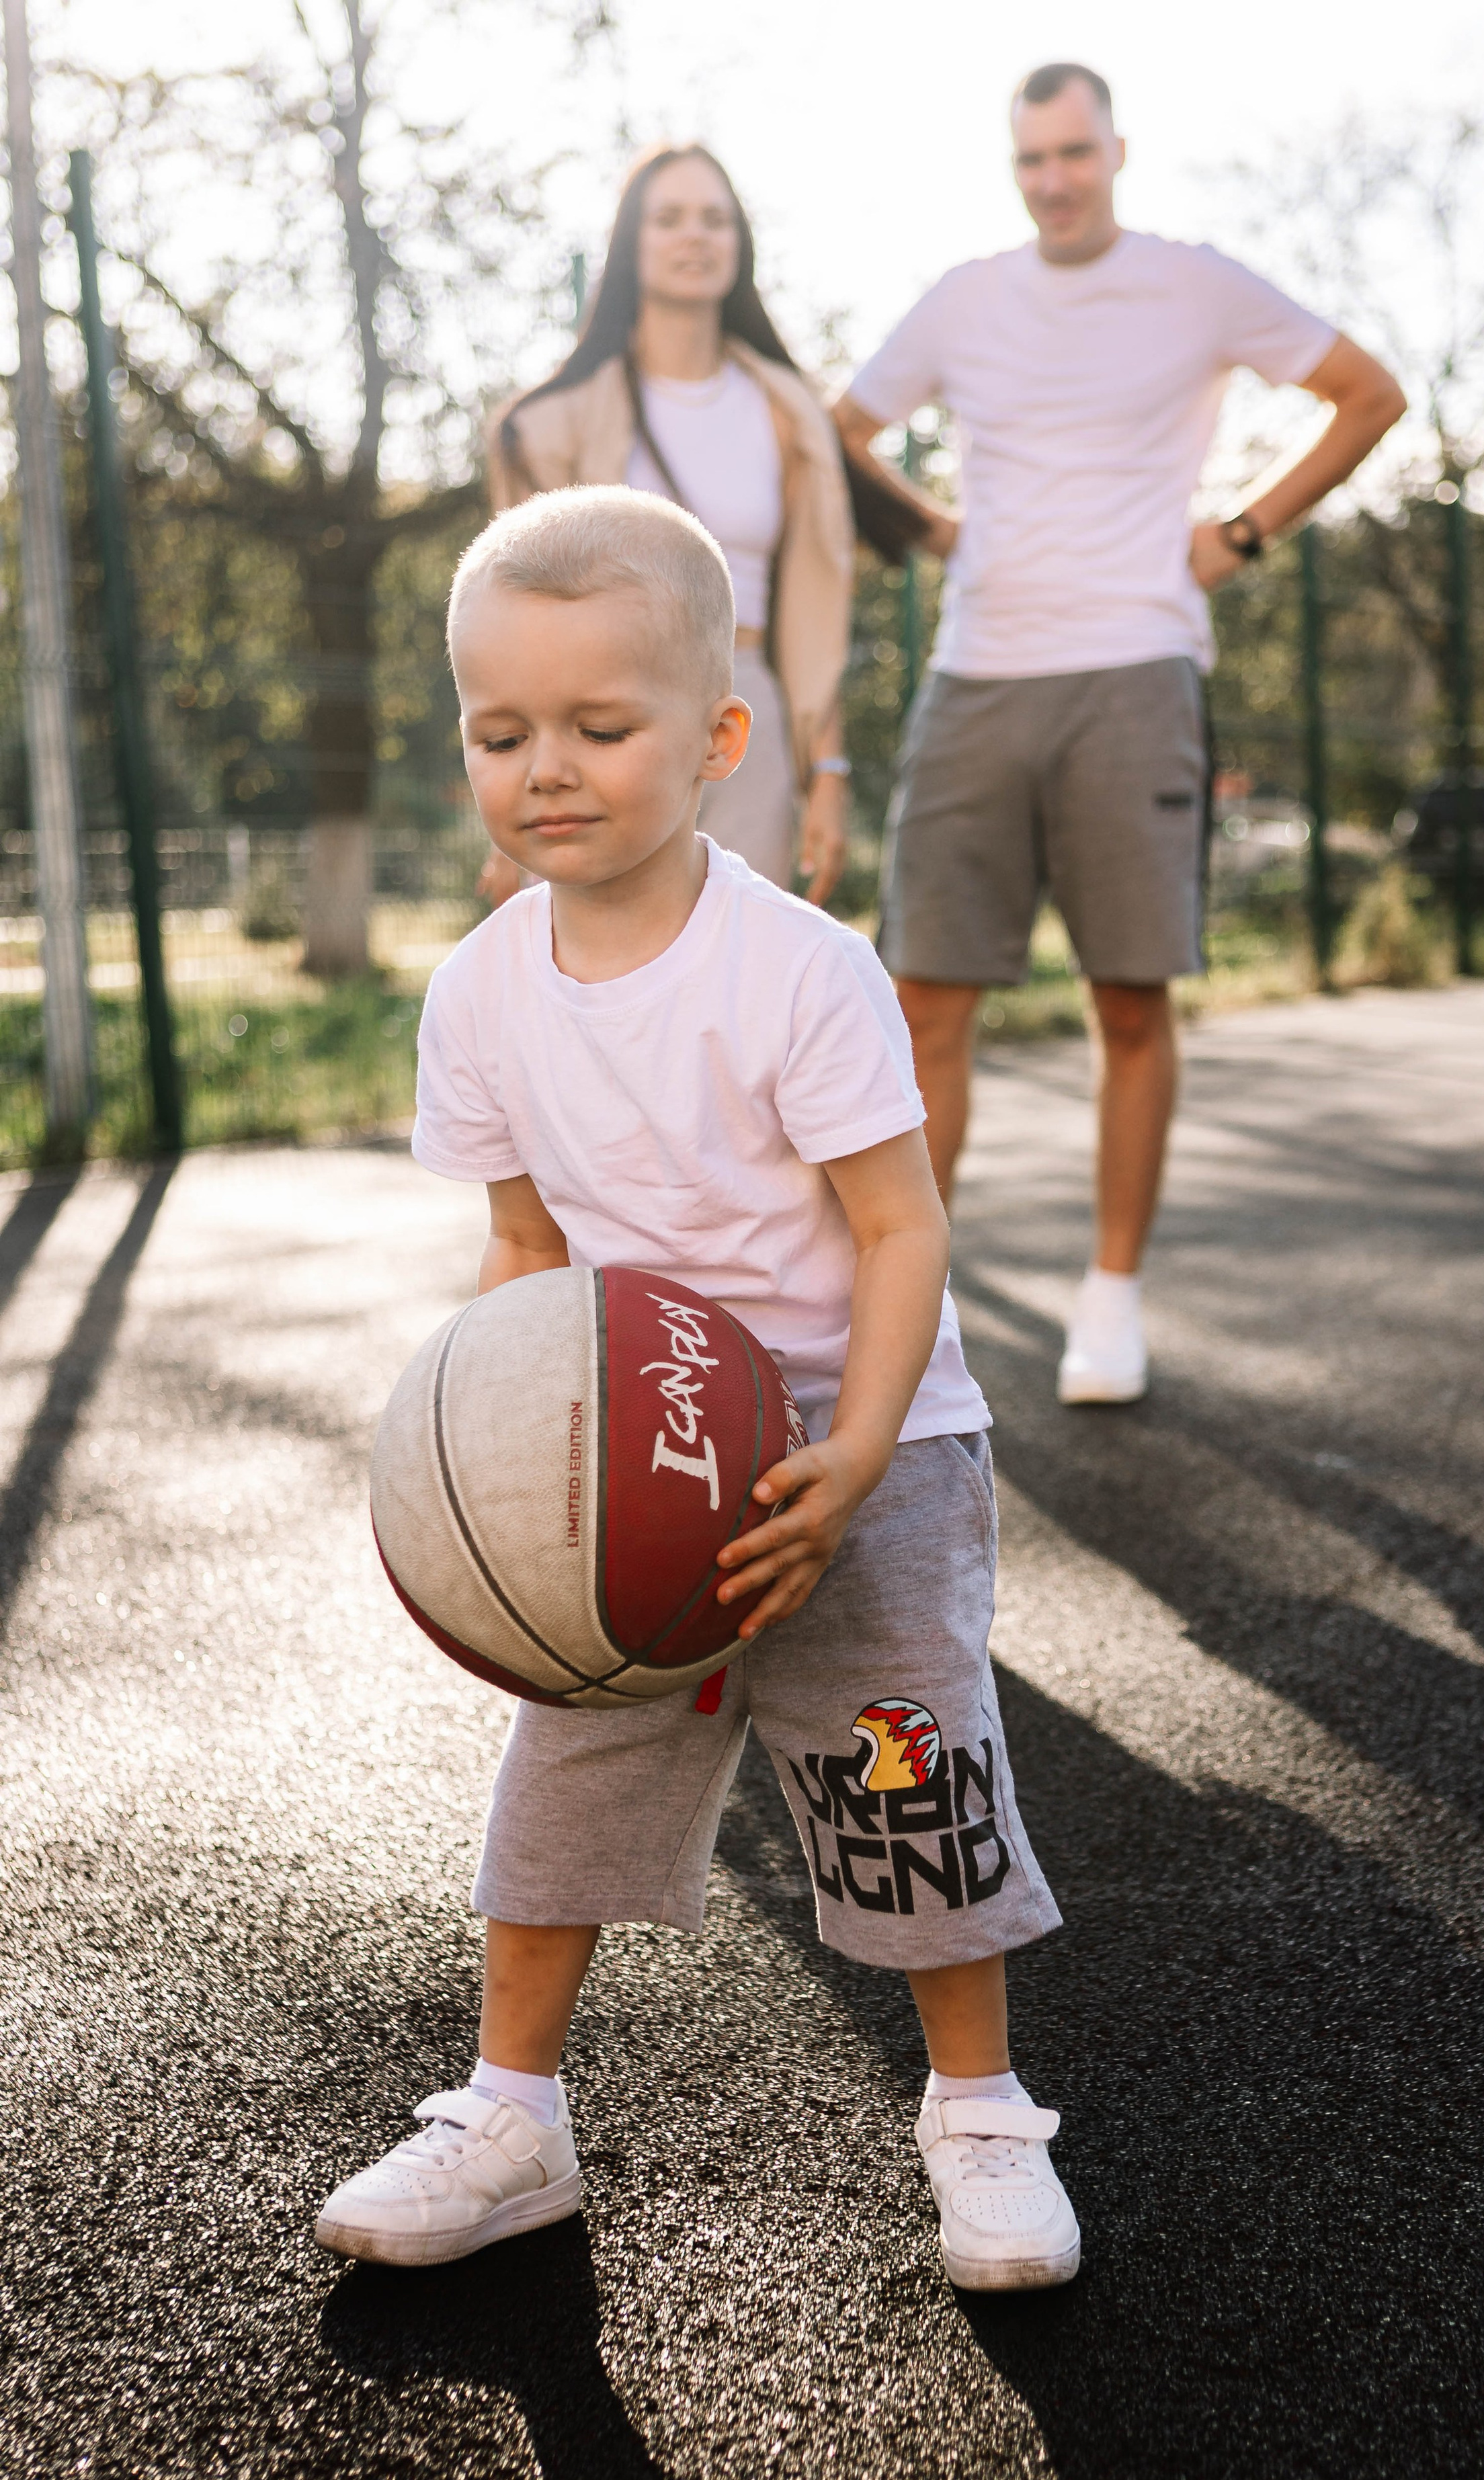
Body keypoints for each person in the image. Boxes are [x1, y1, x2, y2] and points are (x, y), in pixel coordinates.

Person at [313, 487, 1078, 2294]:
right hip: (630, 1469)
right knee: (559, 1789)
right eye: (503, 733)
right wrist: (494, 1473)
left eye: (599, 725)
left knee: (910, 1780)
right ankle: (513, 2115)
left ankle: (981, 2116)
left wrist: (864, 1449)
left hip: (854, 1445)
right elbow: (522, 1260)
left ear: (720, 742)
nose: (545, 768)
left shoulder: (799, 970)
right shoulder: (481, 994)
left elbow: (900, 1232)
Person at [835, 63, 1406, 1404]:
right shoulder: (966, 299)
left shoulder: (1193, 284)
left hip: (1138, 668)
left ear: (1116, 151)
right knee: (922, 1001)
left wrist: (1242, 534)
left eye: (1072, 154)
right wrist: (927, 528)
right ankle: (922, 1304)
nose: (1051, 181)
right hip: (974, 677)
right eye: (1029, 159)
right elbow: (839, 426)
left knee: (1128, 1003)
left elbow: (1366, 395)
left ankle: (1111, 1296)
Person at [484, 144, 924, 907]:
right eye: (671, 218)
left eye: (716, 219)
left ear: (740, 244)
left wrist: (827, 773)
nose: (696, 236)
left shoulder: (788, 415)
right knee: (596, 977)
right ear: (633, 244)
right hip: (595, 709)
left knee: (734, 968)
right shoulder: (555, 424)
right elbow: (511, 628)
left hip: (741, 701)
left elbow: (812, 610)